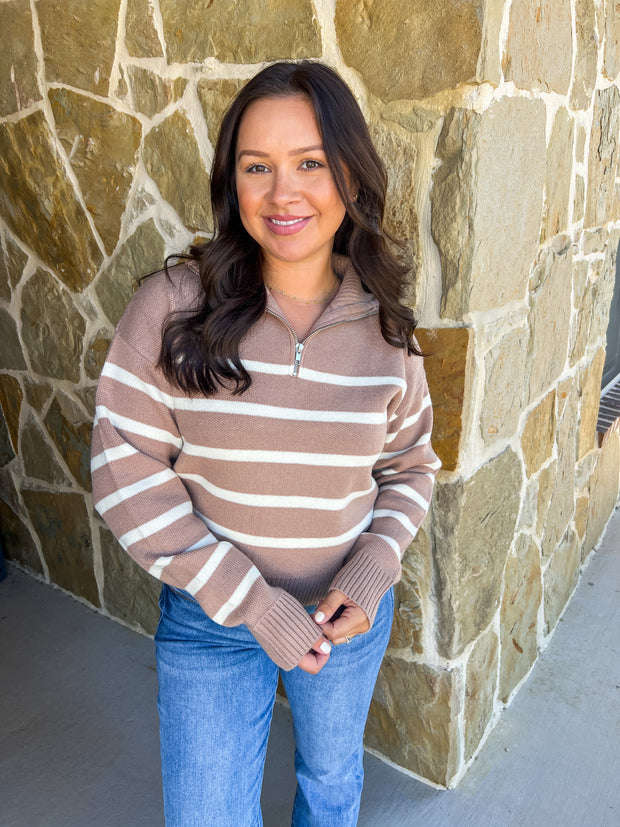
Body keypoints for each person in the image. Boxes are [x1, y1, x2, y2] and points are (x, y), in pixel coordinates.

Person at [91, 60, 440, 827]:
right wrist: (251, 603)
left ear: (350, 173)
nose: (284, 194)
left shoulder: (386, 328)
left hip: (344, 614)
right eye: (258, 167)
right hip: (213, 620)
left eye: (310, 163)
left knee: (330, 779)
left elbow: (410, 462)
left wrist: (377, 561)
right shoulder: (175, 307)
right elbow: (124, 474)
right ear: (232, 180)